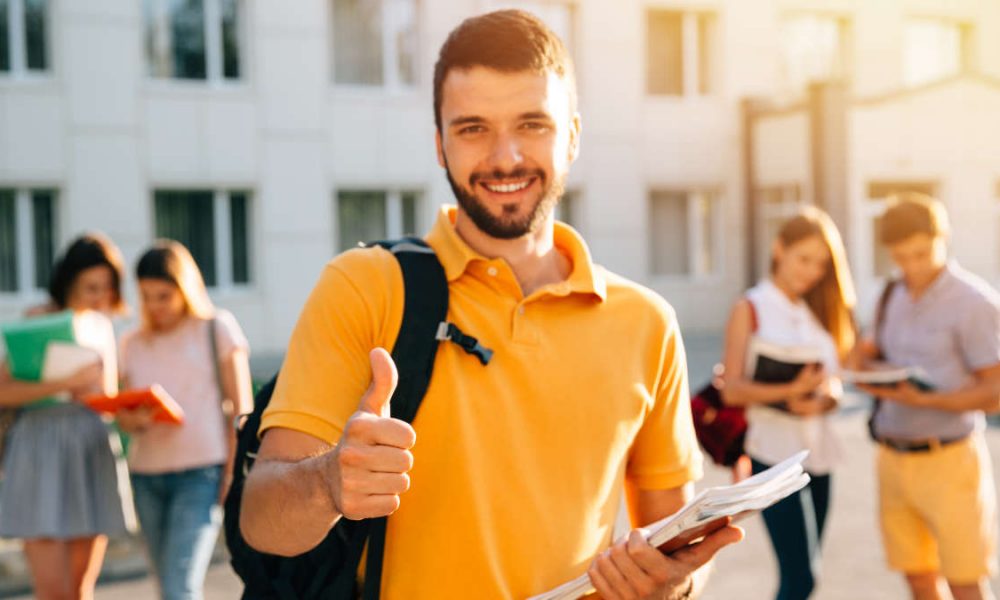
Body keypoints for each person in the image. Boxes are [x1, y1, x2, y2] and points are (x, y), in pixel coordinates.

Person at [239, 9, 742, 600]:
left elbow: (676, 534)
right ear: (440, 144)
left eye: (532, 124)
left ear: (573, 135)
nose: (505, 157)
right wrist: (329, 482)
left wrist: (672, 585)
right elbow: (262, 521)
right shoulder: (364, 287)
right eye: (473, 128)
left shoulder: (646, 323)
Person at [853, 193, 1000, 600]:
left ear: (943, 237)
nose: (913, 266)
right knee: (918, 579)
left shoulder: (976, 303)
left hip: (950, 463)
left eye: (922, 253)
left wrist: (925, 400)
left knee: (965, 583)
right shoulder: (889, 296)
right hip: (892, 459)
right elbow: (865, 356)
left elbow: (995, 393)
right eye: (902, 257)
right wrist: (864, 373)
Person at [718, 206, 855, 600]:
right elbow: (733, 389)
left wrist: (826, 398)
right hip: (773, 456)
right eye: (804, 258)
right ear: (779, 249)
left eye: (821, 264)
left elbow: (835, 379)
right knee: (801, 577)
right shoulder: (751, 307)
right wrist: (791, 392)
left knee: (807, 572)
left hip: (819, 456)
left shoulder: (818, 309)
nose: (812, 271)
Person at [115, 241, 252, 600]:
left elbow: (243, 411)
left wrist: (233, 475)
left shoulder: (216, 328)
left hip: (202, 474)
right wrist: (135, 420)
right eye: (146, 296)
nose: (155, 306)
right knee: (166, 586)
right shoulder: (132, 343)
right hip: (146, 476)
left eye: (164, 295)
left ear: (185, 288)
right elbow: (124, 416)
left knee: (180, 586)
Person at [0, 233, 131, 600]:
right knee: (53, 592)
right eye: (91, 287)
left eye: (106, 288)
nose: (99, 297)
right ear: (69, 281)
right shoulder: (37, 319)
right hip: (39, 449)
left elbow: (105, 397)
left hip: (90, 449)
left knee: (80, 590)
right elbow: (2, 390)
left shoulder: (103, 327)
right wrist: (64, 383)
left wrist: (129, 406)